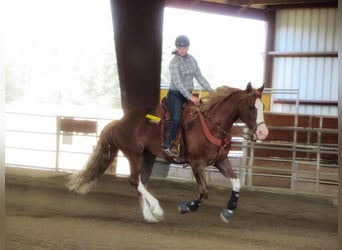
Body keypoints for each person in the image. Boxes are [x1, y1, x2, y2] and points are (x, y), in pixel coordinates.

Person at [164, 35, 214, 157]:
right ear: (176, 48)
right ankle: (168, 144)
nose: (182, 49)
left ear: (188, 48)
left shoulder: (192, 60)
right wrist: (190, 97)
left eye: (184, 47)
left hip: (188, 95)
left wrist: (212, 91)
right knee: (176, 118)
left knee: (200, 115)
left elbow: (200, 77)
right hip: (175, 95)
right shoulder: (174, 63)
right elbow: (178, 84)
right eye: (180, 47)